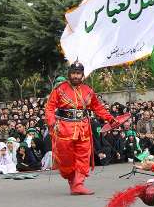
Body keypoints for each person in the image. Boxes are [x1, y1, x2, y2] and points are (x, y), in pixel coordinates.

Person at [45, 60, 118, 195]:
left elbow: (98, 107)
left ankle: (79, 184)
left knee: (84, 156)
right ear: (69, 74)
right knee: (66, 157)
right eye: (73, 73)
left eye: (78, 74)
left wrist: (109, 118)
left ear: (82, 75)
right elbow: (49, 108)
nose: (75, 76)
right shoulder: (59, 89)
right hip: (64, 128)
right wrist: (52, 122)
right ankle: (72, 179)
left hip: (83, 127)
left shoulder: (88, 90)